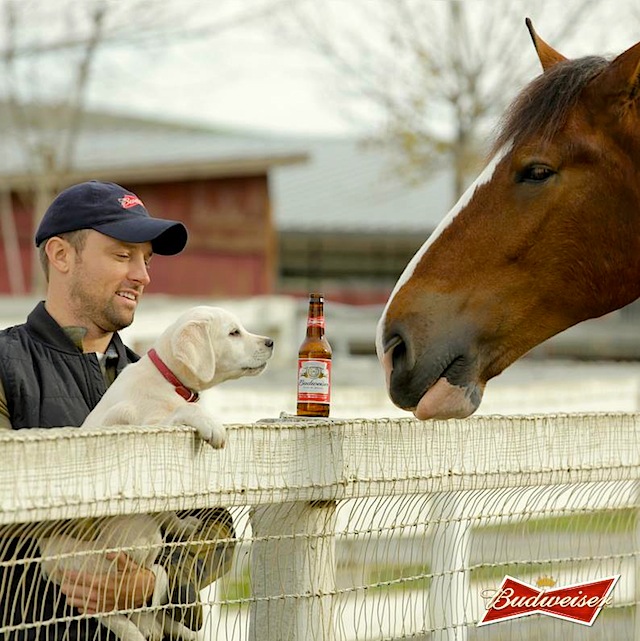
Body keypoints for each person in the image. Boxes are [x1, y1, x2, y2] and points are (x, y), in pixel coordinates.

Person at [0, 181, 235, 641]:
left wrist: (154, 584)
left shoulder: (165, 380)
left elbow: (216, 528)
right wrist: (94, 561)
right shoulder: (6, 367)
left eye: (146, 260)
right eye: (123, 255)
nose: (143, 275)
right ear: (61, 255)